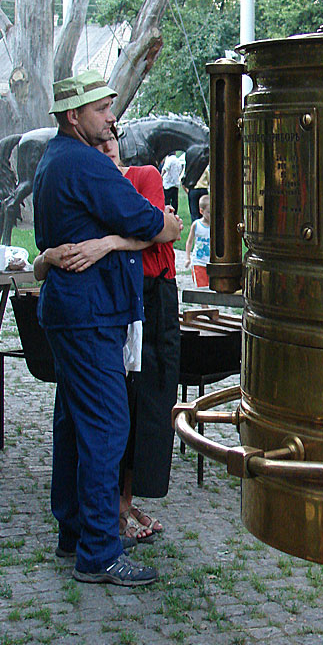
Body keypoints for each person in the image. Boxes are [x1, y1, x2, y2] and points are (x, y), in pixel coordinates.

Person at [33, 69, 181, 587]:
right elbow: (152, 222)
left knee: (75, 424)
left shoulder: (54, 159)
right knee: (106, 426)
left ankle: (75, 533)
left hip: (72, 312)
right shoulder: (86, 163)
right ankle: (98, 552)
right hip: (90, 313)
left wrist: (112, 241)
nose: (111, 117)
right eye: (100, 109)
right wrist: (154, 227)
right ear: (73, 116)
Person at [185, 193, 210, 287]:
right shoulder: (196, 225)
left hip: (210, 263)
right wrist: (188, 258)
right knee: (201, 288)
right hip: (198, 262)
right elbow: (189, 241)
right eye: (209, 212)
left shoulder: (215, 227)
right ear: (201, 211)